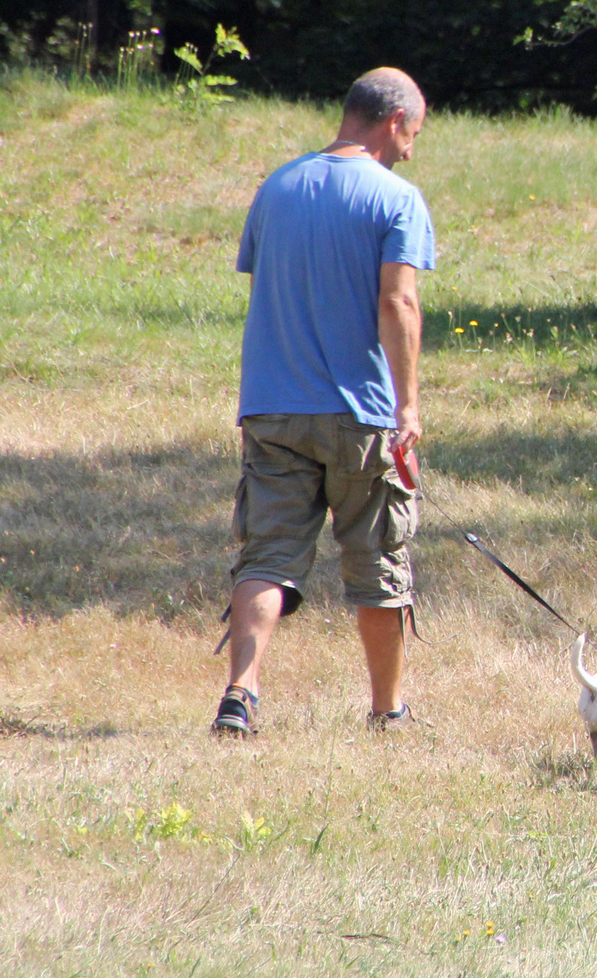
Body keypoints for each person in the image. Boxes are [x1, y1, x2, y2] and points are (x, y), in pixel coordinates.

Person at [211, 67, 435, 737]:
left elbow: (271, 284)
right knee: (378, 564)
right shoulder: (397, 199)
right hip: (363, 415)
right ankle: (387, 711)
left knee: (268, 557)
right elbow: (397, 301)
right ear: (394, 121)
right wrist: (409, 407)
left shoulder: (276, 188)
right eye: (414, 134)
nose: (411, 148)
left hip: (274, 407)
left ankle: (241, 695)